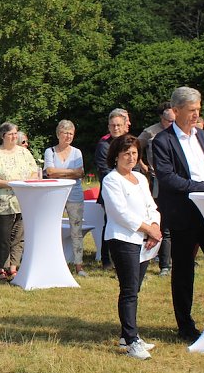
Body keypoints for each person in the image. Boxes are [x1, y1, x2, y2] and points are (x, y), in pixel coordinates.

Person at [153, 87, 204, 343]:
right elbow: (168, 179)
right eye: (191, 110)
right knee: (184, 272)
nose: (196, 115)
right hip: (183, 214)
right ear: (176, 111)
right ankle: (185, 325)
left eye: (198, 109)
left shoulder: (202, 136)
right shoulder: (162, 141)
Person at [102, 134, 162, 359]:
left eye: (134, 153)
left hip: (144, 240)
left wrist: (155, 225)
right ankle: (132, 340)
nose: (130, 157)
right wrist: (148, 228)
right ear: (116, 156)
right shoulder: (111, 180)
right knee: (129, 290)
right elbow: (120, 213)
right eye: (126, 153)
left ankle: (125, 336)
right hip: (123, 239)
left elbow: (151, 206)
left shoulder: (140, 178)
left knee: (135, 288)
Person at [0, 122, 38, 281]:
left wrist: (25, 182)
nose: (14, 136)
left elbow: (34, 172)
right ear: (3, 136)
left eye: (16, 133)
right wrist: (10, 183)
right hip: (3, 202)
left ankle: (14, 267)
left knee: (19, 236)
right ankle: (1, 267)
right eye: (11, 134)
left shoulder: (24, 153)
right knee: (3, 237)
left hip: (23, 201)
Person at [44, 120, 87, 277]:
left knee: (76, 230)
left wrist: (59, 172)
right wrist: (71, 172)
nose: (68, 136)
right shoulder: (50, 152)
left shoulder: (77, 152)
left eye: (71, 133)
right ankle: (51, 261)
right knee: (51, 228)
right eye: (65, 132)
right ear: (58, 134)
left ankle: (79, 265)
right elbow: (49, 172)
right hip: (54, 195)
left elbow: (80, 173)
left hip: (74, 195)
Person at [138, 102, 175, 277]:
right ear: (162, 118)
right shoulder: (151, 132)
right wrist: (144, 167)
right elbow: (135, 148)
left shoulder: (178, 131)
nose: (172, 124)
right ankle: (164, 264)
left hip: (177, 181)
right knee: (162, 221)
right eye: (169, 121)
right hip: (157, 182)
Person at [95, 109, 128, 269]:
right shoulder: (103, 145)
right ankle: (106, 259)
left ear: (124, 126)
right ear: (109, 126)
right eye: (113, 125)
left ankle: (123, 257)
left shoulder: (129, 142)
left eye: (119, 125)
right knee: (110, 223)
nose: (116, 128)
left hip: (129, 191)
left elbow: (134, 165)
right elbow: (104, 169)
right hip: (111, 191)